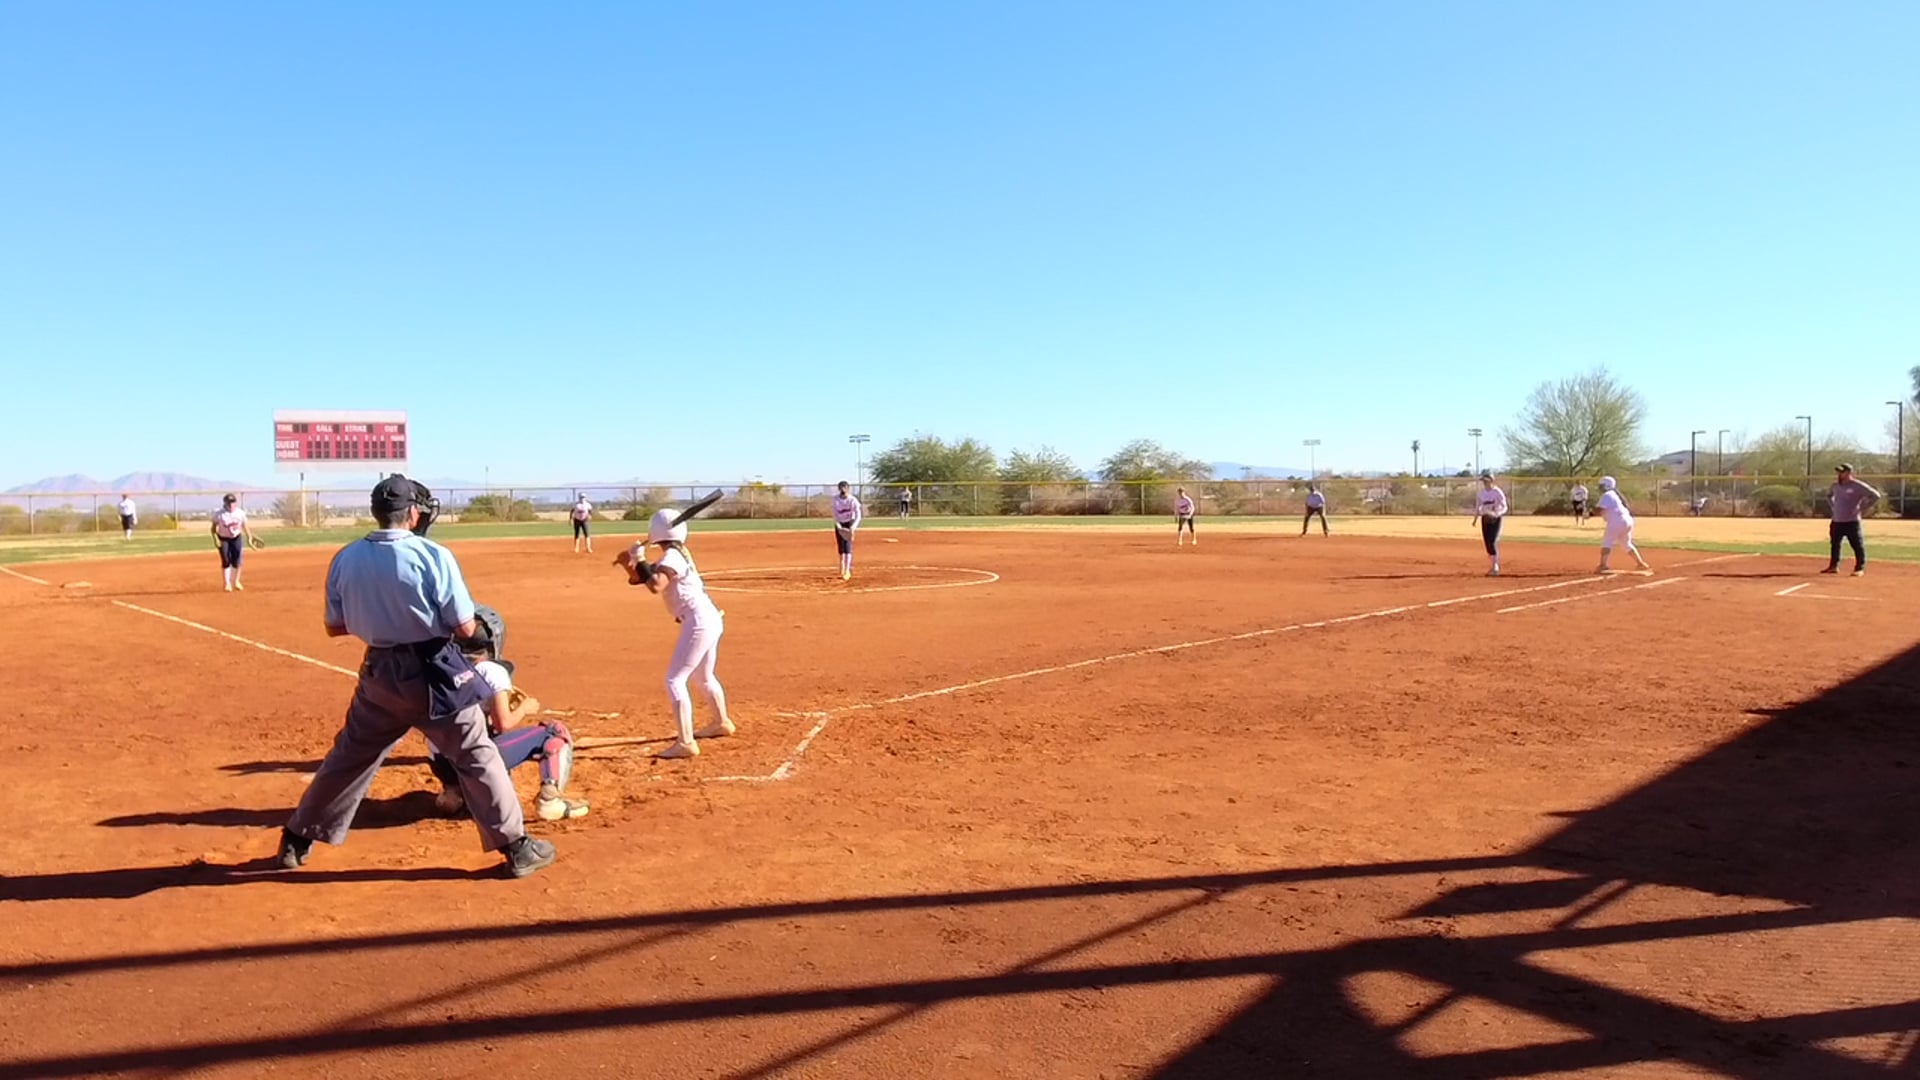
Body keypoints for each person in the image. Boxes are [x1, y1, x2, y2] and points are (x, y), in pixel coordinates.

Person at [278, 475, 557, 878]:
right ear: (411, 513)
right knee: (475, 753)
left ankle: (296, 838)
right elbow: (464, 628)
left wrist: (381, 617)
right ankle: (516, 847)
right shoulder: (432, 555)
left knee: (349, 758)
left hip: (378, 672)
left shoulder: (346, 557)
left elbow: (335, 626)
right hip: (434, 670)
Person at [613, 508, 735, 759]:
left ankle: (686, 743)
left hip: (698, 621)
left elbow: (656, 585)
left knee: (674, 680)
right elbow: (642, 579)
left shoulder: (672, 556)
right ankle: (721, 723)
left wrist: (640, 557)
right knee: (703, 676)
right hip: (707, 618)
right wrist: (630, 563)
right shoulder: (676, 554)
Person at [428, 644, 589, 822]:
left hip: (441, 763)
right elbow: (504, 724)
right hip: (474, 760)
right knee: (554, 732)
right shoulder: (490, 670)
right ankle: (550, 801)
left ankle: (454, 794)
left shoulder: (439, 668)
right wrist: (524, 708)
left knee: (472, 735)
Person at [1824, 462, 1882, 577]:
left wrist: (1862, 508)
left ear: (1849, 473)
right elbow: (1828, 495)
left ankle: (1859, 568)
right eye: (1838, 472)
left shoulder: (1857, 485)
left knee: (1857, 545)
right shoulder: (1835, 485)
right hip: (1837, 520)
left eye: (1842, 472)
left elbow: (1876, 495)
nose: (1839, 474)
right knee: (1835, 544)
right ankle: (1833, 566)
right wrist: (1833, 506)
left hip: (1852, 521)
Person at [1593, 476, 1652, 574]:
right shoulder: (1614, 494)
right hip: (1627, 520)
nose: (1600, 488)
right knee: (1626, 543)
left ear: (1607, 485)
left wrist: (1590, 514)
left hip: (1617, 521)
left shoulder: (1607, 495)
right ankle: (1640, 563)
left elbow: (1599, 509)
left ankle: (1603, 565)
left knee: (1607, 541)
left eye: (1601, 486)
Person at [210, 493, 260, 592]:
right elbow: (213, 528)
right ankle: (227, 583)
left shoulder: (240, 513)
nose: (231, 504)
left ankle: (236, 581)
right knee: (226, 560)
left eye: (233, 502)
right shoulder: (219, 514)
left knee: (237, 561)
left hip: (236, 538)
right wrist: (216, 539)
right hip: (223, 539)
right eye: (229, 503)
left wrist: (249, 538)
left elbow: (245, 526)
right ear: (225, 503)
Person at [1473, 472, 1508, 576]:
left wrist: (1497, 514)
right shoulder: (1482, 493)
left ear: (1491, 481)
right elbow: (1478, 507)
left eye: (1486, 481)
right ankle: (1493, 565)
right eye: (1483, 481)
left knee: (1492, 541)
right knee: (1487, 543)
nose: (1484, 483)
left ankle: (1495, 567)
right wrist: (1475, 519)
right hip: (1485, 519)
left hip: (1495, 519)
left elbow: (1505, 506)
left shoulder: (1497, 492)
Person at [830, 480, 863, 581]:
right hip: (840, 523)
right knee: (840, 546)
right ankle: (842, 566)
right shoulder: (835, 500)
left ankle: (847, 570)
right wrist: (838, 525)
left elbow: (858, 515)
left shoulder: (853, 500)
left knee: (847, 546)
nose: (843, 490)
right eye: (841, 488)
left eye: (845, 488)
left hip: (849, 523)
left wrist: (853, 527)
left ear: (848, 489)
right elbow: (835, 514)